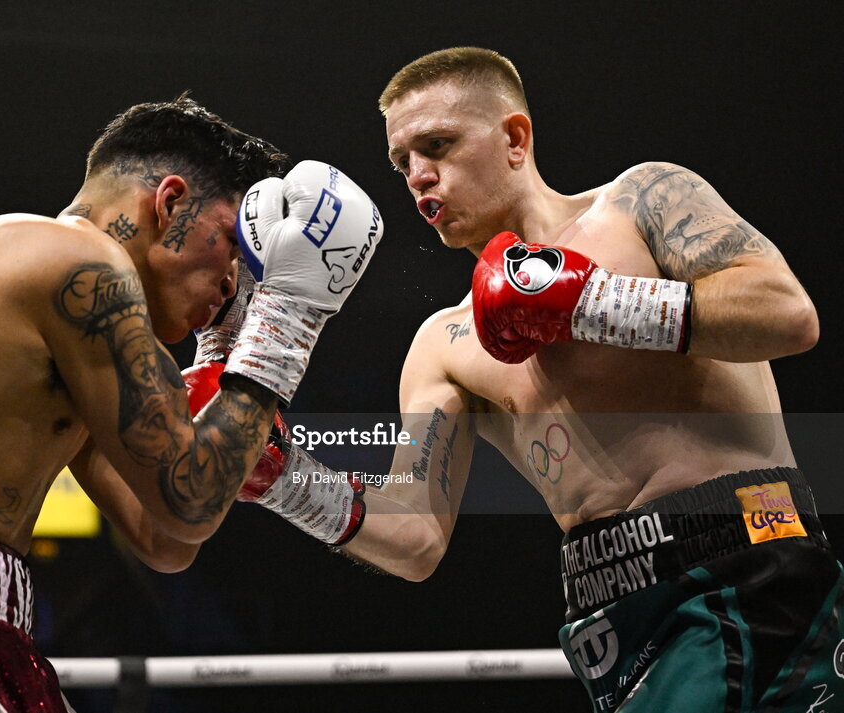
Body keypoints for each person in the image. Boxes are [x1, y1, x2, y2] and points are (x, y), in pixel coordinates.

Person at [228, 48, 843, 712]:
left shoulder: (640, 203)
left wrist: (587, 302)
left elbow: (787, 315)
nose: (418, 176)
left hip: (750, 566)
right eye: (402, 162)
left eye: (437, 145)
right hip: (611, 619)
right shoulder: (443, 345)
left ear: (515, 138)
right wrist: (285, 476)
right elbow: (414, 537)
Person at [0, 96, 383, 711]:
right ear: (170, 204)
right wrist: (287, 318)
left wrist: (227, 344)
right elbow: (190, 501)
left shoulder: (81, 336)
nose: (235, 281)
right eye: (231, 243)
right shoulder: (74, 261)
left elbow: (167, 537)